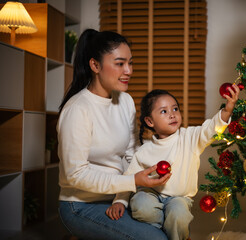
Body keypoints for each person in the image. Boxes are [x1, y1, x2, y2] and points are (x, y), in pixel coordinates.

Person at [57, 29, 171, 240]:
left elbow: (131, 154)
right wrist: (131, 182)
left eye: (130, 63)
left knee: (173, 222)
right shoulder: (77, 109)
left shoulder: (125, 101)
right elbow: (75, 175)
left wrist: (124, 195)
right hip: (81, 204)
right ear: (95, 65)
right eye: (119, 63)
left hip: (119, 196)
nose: (128, 70)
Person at [106, 87, 240, 240]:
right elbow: (129, 178)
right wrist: (120, 202)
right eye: (164, 111)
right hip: (151, 193)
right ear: (150, 121)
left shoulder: (190, 138)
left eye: (175, 109)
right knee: (141, 205)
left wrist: (228, 108)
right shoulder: (144, 151)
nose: (172, 114)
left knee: (179, 215)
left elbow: (211, 129)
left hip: (179, 197)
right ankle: (158, 233)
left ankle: (177, 236)